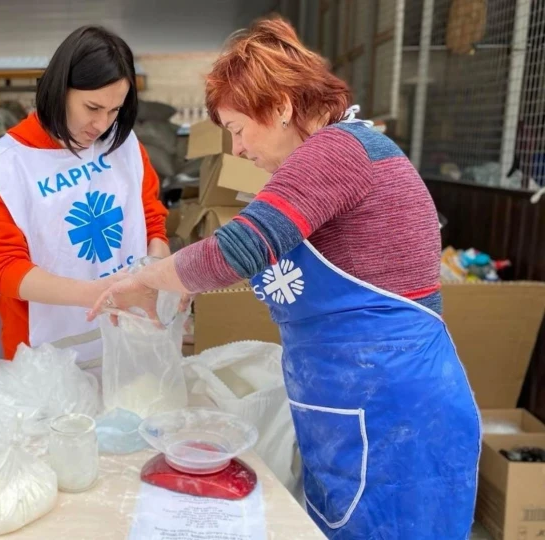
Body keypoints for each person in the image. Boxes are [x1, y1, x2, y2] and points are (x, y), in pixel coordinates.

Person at [89, 18, 480, 539]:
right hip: (350, 407)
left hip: (390, 411)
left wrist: (151, 279)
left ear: (279, 107)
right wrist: (184, 284)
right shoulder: (331, 158)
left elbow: (241, 247)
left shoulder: (336, 153)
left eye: (237, 130)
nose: (238, 149)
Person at [0, 25, 169, 367]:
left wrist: (157, 273)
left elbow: (151, 222)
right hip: (41, 358)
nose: (101, 124)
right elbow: (5, 269)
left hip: (125, 339)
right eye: (92, 107)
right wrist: (97, 293)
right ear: (59, 89)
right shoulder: (3, 169)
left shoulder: (124, 147)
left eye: (115, 110)